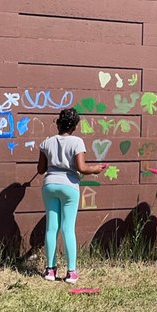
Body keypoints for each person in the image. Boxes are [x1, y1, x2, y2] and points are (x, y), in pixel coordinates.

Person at [37, 108, 107, 283]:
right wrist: (96, 169)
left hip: (49, 184)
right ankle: (71, 272)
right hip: (69, 186)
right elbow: (82, 168)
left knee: (51, 228)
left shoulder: (46, 143)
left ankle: (50, 270)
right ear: (75, 125)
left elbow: (40, 170)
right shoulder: (77, 142)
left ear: (58, 123)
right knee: (67, 228)